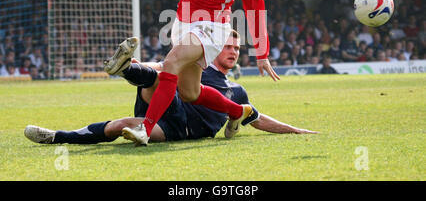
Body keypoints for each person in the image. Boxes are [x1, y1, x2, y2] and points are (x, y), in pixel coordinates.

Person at [111, 0, 279, 145]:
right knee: (190, 93)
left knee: (171, 63)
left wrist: (262, 54)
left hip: (213, 27)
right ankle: (237, 112)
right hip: (184, 20)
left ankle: (145, 129)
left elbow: (256, 12)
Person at [24, 32, 316, 146]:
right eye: (226, 46)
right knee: (158, 76)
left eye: (236, 48)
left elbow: (258, 118)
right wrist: (141, 65)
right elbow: (165, 65)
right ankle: (125, 69)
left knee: (123, 125)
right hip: (167, 109)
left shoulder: (237, 91)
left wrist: (297, 131)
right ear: (213, 49)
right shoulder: (198, 68)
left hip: (182, 131)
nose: (232, 51)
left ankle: (55, 137)